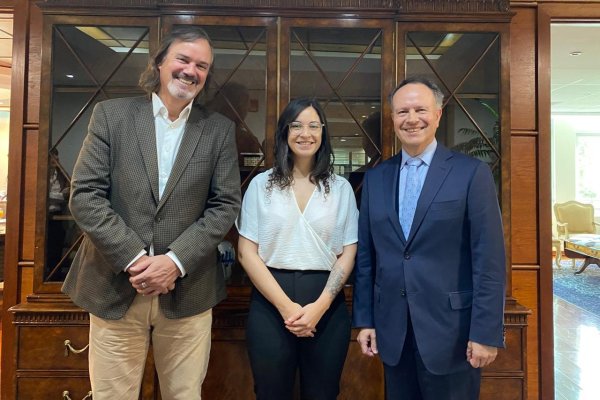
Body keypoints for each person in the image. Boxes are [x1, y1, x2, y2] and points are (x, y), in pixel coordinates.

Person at [62, 26, 241, 400]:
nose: (191, 70)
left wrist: (174, 262)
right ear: (160, 62)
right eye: (183, 59)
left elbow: (225, 205)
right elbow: (85, 195)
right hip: (114, 286)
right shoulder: (111, 115)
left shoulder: (219, 130)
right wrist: (136, 260)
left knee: (184, 395)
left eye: (202, 65)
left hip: (188, 291)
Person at [352, 76, 506, 400]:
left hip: (453, 335)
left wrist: (486, 332)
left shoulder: (470, 173)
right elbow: (367, 257)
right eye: (402, 111)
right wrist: (365, 320)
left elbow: (488, 260)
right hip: (393, 332)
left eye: (420, 109)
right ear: (393, 118)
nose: (411, 119)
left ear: (437, 115)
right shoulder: (377, 178)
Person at [236, 97, 359, 400]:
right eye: (297, 126)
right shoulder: (261, 185)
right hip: (270, 301)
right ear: (284, 133)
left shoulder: (340, 188)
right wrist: (286, 307)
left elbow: (348, 253)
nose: (306, 133)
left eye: (314, 126)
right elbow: (246, 252)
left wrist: (318, 308)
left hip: (326, 303)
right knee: (270, 392)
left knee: (323, 393)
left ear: (323, 133)